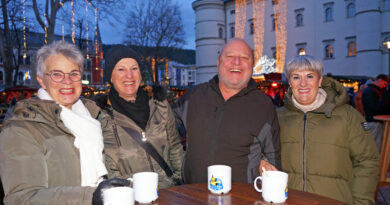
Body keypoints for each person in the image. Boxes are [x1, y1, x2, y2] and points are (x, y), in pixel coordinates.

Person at [0, 41, 129, 204]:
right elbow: (21, 198)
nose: (67, 81)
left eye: (74, 73)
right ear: (41, 80)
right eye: (56, 74)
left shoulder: (93, 117)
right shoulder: (21, 128)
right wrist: (91, 197)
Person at [173, 38, 281, 184]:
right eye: (229, 57)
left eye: (244, 58)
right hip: (193, 195)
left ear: (252, 65)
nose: (236, 62)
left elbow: (273, 156)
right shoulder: (194, 96)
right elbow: (162, 126)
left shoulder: (263, 105)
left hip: (242, 199)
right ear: (218, 62)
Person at [278, 55, 379, 204]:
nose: (303, 83)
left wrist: (361, 202)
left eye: (310, 76)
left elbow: (367, 162)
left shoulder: (347, 116)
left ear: (319, 81)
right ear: (290, 83)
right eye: (296, 77)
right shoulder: (277, 117)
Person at [92, 45, 184, 188]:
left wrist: (179, 183)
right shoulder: (100, 116)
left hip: (167, 192)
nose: (129, 75)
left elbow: (175, 148)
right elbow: (106, 166)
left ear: (140, 74)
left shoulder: (160, 106)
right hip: (128, 196)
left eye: (134, 68)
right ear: (110, 77)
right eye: (121, 69)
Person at [362, 74, 390, 151]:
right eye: (384, 83)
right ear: (380, 80)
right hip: (374, 121)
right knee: (375, 145)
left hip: (371, 120)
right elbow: (373, 107)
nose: (384, 86)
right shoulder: (372, 91)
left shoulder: (370, 90)